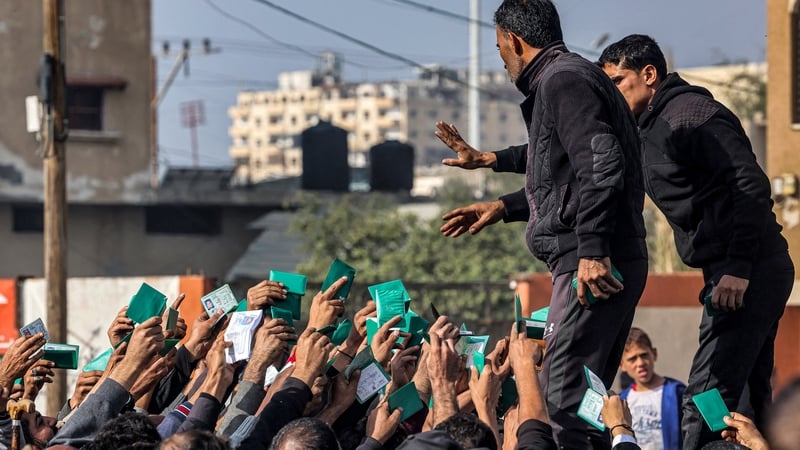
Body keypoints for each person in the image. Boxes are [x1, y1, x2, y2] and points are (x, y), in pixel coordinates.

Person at [435, 1, 648, 447]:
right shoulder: (567, 78)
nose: (502, 58)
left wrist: (592, 250)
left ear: (514, 40)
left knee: (556, 401)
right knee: (583, 402)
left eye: (499, 49)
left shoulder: (564, 80)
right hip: (596, 256)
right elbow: (557, 164)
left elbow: (600, 164)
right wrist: (500, 195)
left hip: (591, 263)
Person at [598, 34, 794, 450]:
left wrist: (739, 269)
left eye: (617, 81)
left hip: (748, 270)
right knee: (744, 397)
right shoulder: (640, 129)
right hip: (731, 271)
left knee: (705, 395)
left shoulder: (690, 114)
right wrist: (495, 163)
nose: (611, 93)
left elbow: (750, 185)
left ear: (649, 75)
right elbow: (581, 158)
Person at [619, 328, 685, 450]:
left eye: (644, 355)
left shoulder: (676, 392)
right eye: (632, 359)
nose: (640, 363)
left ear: (654, 353)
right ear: (622, 365)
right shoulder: (622, 400)